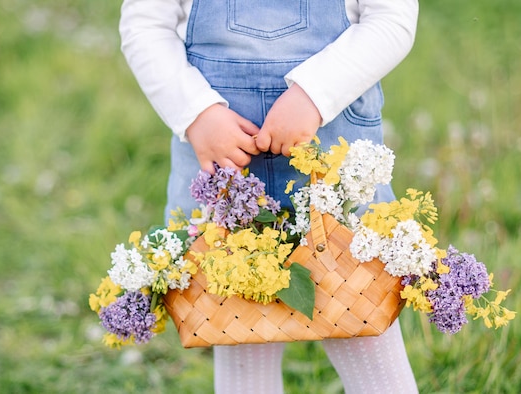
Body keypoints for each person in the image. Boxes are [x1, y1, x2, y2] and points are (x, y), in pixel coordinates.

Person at [119, 0, 420, 392]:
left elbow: (391, 18)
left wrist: (313, 94)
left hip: (331, 157)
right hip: (220, 162)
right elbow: (145, 24)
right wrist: (197, 112)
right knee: (237, 322)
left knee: (359, 314)